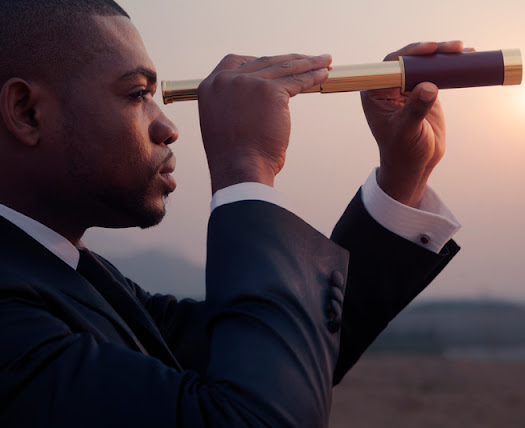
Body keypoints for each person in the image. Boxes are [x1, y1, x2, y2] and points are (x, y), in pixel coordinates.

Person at [0, 1, 461, 427]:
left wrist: (403, 178)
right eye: (137, 94)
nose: (167, 127)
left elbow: (278, 355)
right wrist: (246, 166)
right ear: (27, 112)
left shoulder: (74, 276)